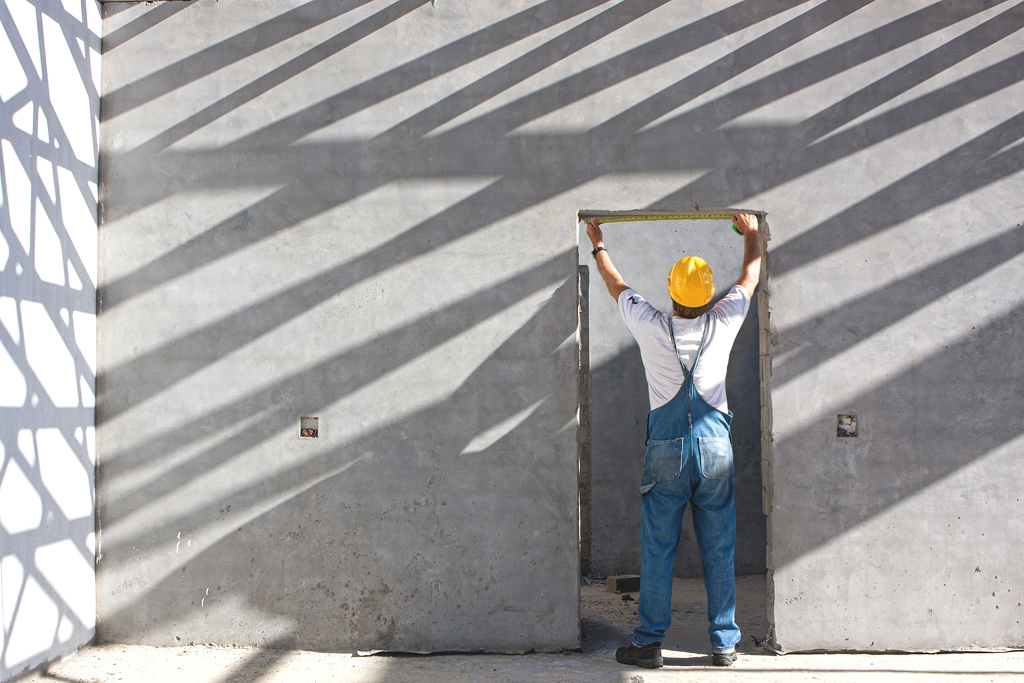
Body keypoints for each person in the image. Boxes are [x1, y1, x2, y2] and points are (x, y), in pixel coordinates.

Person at [585, 213, 761, 669]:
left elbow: (615, 284)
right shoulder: (723, 323)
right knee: (720, 547)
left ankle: (649, 643)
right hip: (714, 452)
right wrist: (753, 234)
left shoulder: (651, 326)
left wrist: (598, 242)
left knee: (658, 548)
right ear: (707, 296)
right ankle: (724, 643)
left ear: (671, 292)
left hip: (666, 454)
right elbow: (750, 276)